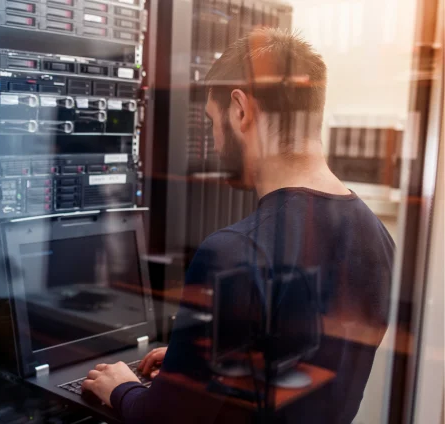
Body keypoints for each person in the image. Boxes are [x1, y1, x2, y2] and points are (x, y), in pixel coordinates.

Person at [81, 27, 395, 423]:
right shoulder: (377, 237)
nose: (213, 140)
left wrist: (121, 388)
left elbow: (162, 420)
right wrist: (190, 364)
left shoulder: (233, 251)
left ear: (241, 110)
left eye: (212, 121)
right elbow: (295, 363)